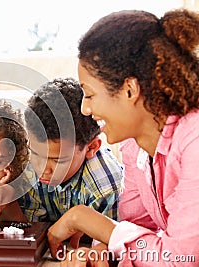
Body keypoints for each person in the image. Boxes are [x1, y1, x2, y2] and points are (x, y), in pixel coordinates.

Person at [47, 9, 199, 266]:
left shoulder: (193, 141)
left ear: (130, 90)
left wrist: (84, 219)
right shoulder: (135, 145)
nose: (85, 109)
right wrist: (102, 249)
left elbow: (181, 259)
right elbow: (134, 226)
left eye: (90, 95)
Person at [18, 77, 123, 225]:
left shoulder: (106, 186)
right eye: (34, 153)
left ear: (91, 148)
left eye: (57, 160)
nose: (42, 168)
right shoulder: (25, 168)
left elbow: (108, 241)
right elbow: (31, 230)